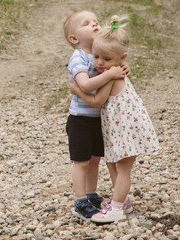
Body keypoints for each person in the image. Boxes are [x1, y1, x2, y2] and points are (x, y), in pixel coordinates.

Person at [69, 15, 160, 223]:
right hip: (117, 126)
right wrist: (115, 68)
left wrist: (76, 90)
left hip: (124, 127)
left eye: (106, 59)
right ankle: (119, 201)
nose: (100, 63)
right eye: (97, 57)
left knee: (121, 168)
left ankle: (118, 207)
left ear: (121, 58)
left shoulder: (110, 73)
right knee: (112, 164)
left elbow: (97, 100)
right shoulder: (107, 67)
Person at [63, 10, 129, 219]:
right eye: (86, 23)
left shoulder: (99, 55)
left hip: (100, 119)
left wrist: (120, 68)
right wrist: (110, 73)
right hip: (81, 120)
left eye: (96, 21)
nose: (94, 24)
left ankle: (91, 194)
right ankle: (81, 201)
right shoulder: (79, 57)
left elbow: (113, 68)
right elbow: (84, 84)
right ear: (74, 38)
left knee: (95, 159)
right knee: (81, 161)